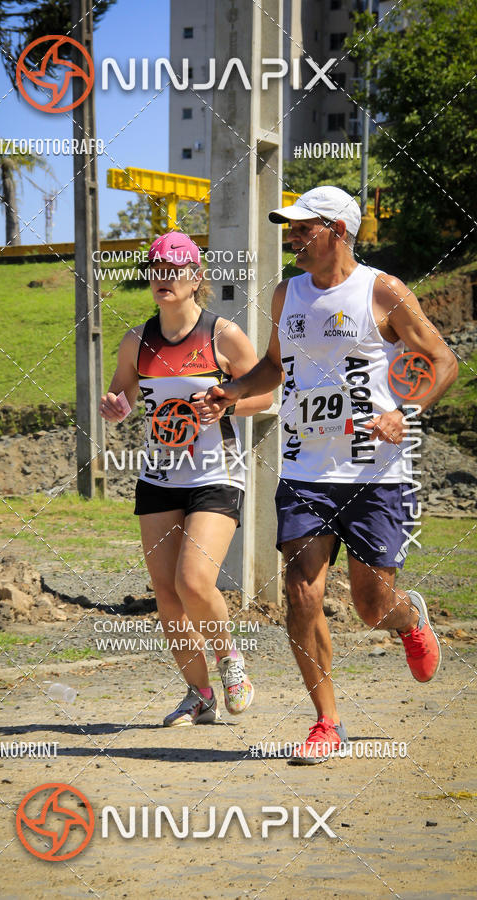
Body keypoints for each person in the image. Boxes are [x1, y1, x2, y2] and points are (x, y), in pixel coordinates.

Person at [205, 186, 458, 762]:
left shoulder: (382, 290)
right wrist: (232, 391)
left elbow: (443, 361)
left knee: (371, 604)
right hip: (303, 467)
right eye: (290, 230)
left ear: (337, 232)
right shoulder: (285, 294)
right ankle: (327, 722)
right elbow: (273, 366)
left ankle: (407, 615)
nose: (292, 239)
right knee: (302, 593)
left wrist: (404, 413)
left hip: (373, 471)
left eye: (303, 229)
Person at [100, 231, 273, 726]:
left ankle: (229, 660)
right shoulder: (137, 340)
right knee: (167, 594)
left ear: (197, 279)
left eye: (175, 270)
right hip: (159, 477)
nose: (163, 278)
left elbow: (266, 393)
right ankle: (199, 694)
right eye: (155, 270)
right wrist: (115, 408)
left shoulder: (223, 336)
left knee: (194, 580)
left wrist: (227, 400)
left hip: (216, 473)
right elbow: (120, 398)